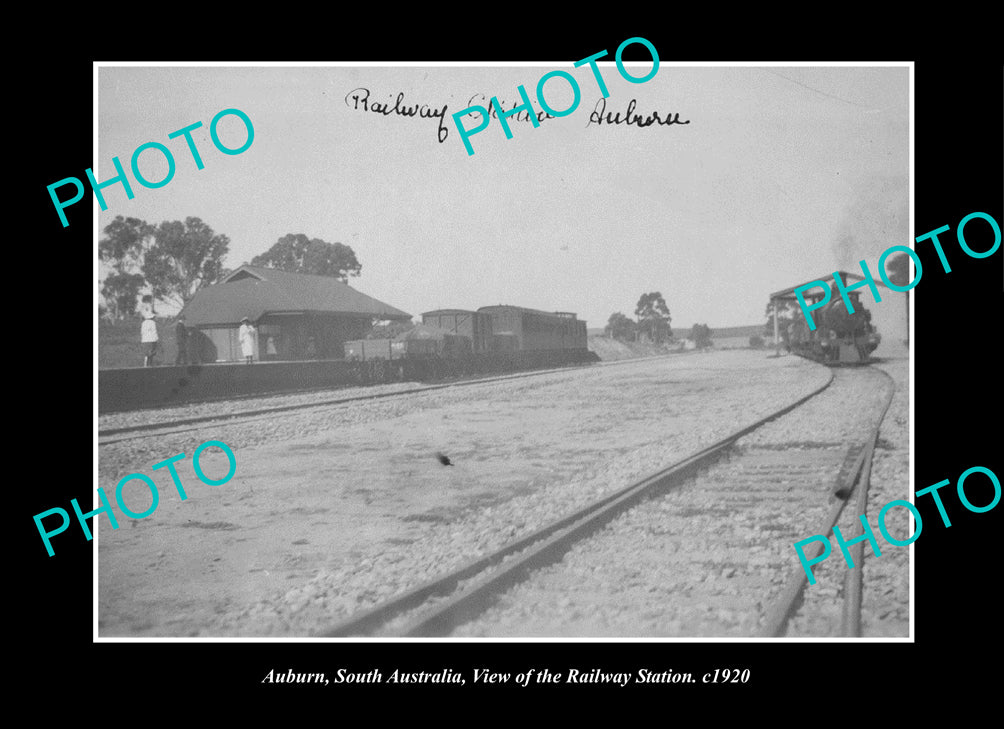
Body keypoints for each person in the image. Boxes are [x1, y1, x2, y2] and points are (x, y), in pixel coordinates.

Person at [140, 296, 158, 367]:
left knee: (147, 353)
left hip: (145, 339)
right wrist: (156, 338)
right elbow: (154, 331)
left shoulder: (143, 323)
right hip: (152, 339)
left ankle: (147, 364)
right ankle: (149, 364)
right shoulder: (152, 323)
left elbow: (142, 332)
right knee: (151, 352)